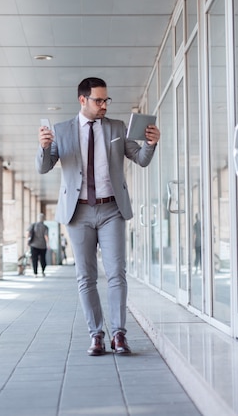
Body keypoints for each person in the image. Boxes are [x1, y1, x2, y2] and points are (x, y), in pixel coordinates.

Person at [36, 77, 160, 356]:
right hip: (78, 212)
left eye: (106, 100)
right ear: (83, 100)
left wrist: (150, 143)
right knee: (86, 277)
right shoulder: (62, 130)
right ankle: (96, 335)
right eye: (98, 100)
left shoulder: (117, 128)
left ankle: (118, 334)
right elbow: (44, 167)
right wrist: (44, 147)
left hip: (111, 210)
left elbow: (140, 158)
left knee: (117, 274)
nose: (104, 105)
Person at [26, 213, 49, 277]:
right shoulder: (45, 227)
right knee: (43, 259)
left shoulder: (33, 225)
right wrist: (48, 244)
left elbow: (28, 233)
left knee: (34, 259)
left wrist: (27, 242)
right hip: (43, 245)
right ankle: (43, 271)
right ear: (43, 219)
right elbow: (46, 236)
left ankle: (35, 273)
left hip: (34, 245)